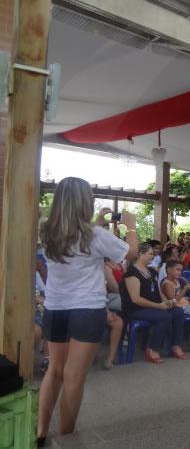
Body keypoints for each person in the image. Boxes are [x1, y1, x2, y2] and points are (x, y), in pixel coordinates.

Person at [37, 177, 138, 444]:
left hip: (55, 308)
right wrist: (131, 227)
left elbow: (76, 237)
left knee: (54, 372)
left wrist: (98, 222)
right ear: (86, 202)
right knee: (74, 377)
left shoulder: (46, 231)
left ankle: (40, 432)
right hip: (86, 310)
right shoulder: (94, 236)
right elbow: (132, 253)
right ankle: (66, 438)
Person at [122, 243, 189, 362]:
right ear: (140, 254)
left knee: (178, 311)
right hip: (136, 309)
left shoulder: (152, 272)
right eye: (150, 254)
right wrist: (159, 306)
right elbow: (135, 299)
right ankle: (152, 349)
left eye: (153, 254)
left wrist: (167, 302)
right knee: (165, 316)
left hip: (153, 306)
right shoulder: (132, 273)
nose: (153, 256)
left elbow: (158, 292)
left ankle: (175, 345)